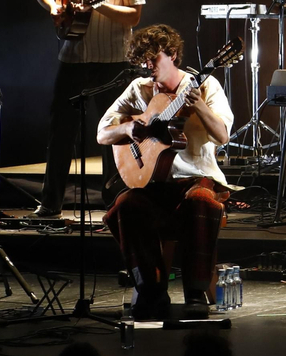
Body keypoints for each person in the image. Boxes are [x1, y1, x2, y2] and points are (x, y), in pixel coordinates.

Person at [97, 24, 234, 320]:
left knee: (201, 200)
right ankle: (151, 289)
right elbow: (102, 134)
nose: (147, 66)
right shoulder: (139, 89)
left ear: (172, 54)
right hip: (154, 186)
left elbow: (223, 135)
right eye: (143, 60)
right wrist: (127, 127)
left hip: (196, 179)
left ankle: (195, 291)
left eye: (153, 58)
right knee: (125, 205)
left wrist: (200, 107)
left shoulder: (205, 86)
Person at [33, 0, 145, 219]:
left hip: (113, 62)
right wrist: (55, 7)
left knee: (114, 135)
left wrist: (98, 6)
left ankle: (116, 205)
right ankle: (50, 202)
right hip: (73, 56)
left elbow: (135, 17)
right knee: (60, 132)